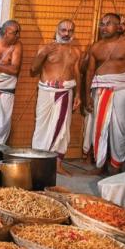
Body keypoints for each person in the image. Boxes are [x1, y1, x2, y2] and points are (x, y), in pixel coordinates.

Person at [30, 20, 82, 175]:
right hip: (46, 91)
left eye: (70, 30)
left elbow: (77, 73)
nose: (66, 34)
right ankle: (37, 161)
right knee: (41, 127)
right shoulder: (45, 47)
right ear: (56, 30)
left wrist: (78, 94)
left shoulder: (77, 52)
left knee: (62, 130)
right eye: (63, 30)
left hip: (65, 92)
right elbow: (33, 70)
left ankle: (57, 165)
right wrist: (44, 53)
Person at [84, 13, 125, 175]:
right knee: (99, 128)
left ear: (119, 27)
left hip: (123, 90)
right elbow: (90, 72)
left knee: (119, 129)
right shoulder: (96, 47)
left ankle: (116, 166)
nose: (104, 27)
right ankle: (101, 164)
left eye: (109, 24)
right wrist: (87, 96)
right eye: (102, 24)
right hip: (100, 90)